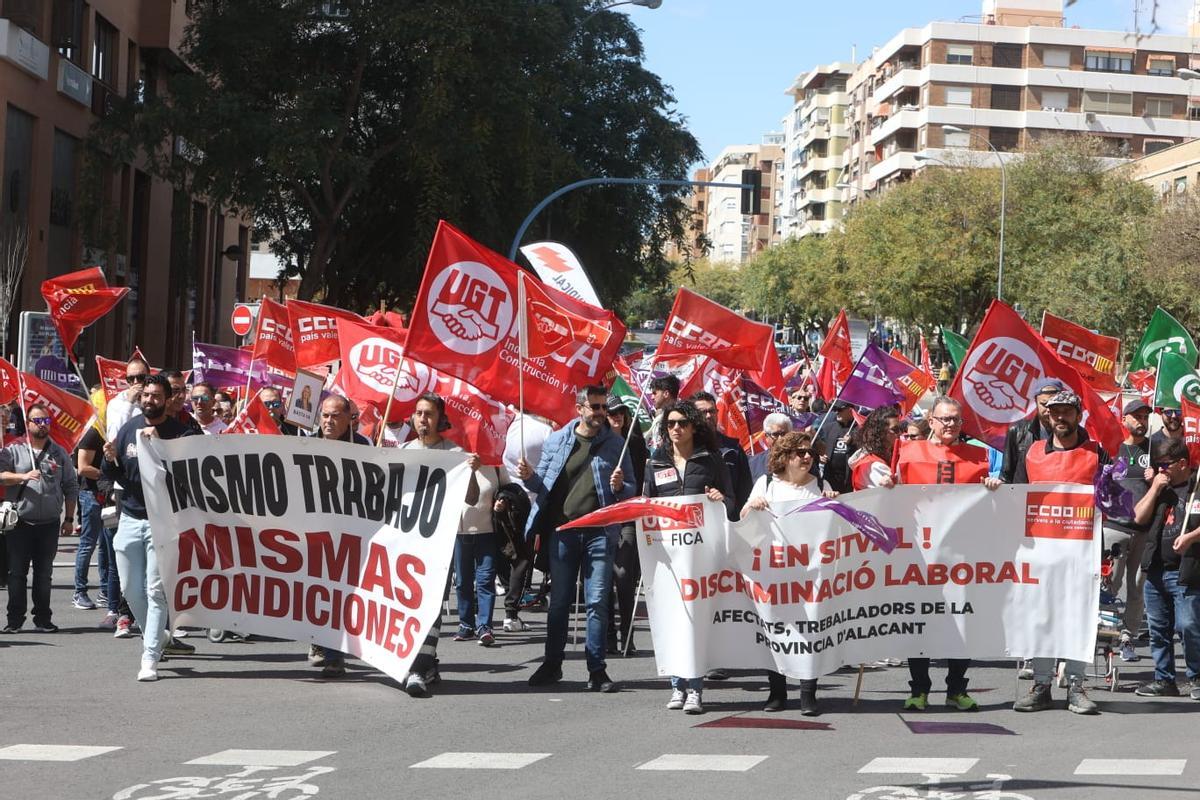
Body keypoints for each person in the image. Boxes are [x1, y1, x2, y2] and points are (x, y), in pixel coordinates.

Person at [517, 385, 635, 693]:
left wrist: (621, 486)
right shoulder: (558, 440)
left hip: (599, 533)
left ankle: (597, 669)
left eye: (602, 408)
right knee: (559, 603)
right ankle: (552, 664)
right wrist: (527, 475)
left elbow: (631, 491)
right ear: (579, 408)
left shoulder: (616, 444)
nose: (599, 413)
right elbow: (540, 484)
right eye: (594, 407)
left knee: (596, 602)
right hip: (563, 532)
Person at [892, 396, 1001, 711]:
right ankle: (919, 689)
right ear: (931, 419)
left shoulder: (977, 456)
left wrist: (992, 488)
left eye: (955, 419)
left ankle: (956, 689)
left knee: (961, 621)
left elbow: (988, 504)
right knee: (920, 623)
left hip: (961, 556)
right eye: (944, 419)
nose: (950, 424)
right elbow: (896, 497)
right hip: (920, 556)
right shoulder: (909, 453)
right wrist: (889, 485)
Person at [1011, 391, 1108, 715]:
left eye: (1066, 411)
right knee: (1041, 618)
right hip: (1041, 554)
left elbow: (1115, 499)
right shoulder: (1033, 453)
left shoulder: (1098, 453)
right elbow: (1017, 498)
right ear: (1046, 417)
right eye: (1054, 413)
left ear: (1078, 414)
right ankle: (1041, 685)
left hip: (1082, 554)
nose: (1060, 418)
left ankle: (1076, 686)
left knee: (1079, 618)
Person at [643, 400, 735, 714]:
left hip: (699, 557)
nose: (676, 429)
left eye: (682, 422)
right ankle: (676, 686)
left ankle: (695, 688)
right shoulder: (655, 462)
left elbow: (732, 502)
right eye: (670, 424)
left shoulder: (711, 460)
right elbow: (648, 506)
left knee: (693, 620)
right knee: (671, 618)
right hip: (667, 555)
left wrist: (720, 499)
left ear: (694, 425)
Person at [101, 375, 195, 681]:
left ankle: (150, 656)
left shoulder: (183, 432)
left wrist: (162, 448)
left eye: (156, 395)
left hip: (164, 521)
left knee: (156, 591)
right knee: (130, 589)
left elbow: (193, 475)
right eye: (146, 395)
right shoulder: (130, 429)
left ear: (168, 400)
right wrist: (111, 459)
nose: (149, 400)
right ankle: (159, 637)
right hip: (130, 517)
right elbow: (116, 475)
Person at [399, 393, 488, 695]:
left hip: (438, 545)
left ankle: (419, 667)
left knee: (430, 605)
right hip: (406, 542)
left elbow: (472, 498)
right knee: (405, 603)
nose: (423, 419)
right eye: (419, 413)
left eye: (429, 414)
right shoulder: (403, 451)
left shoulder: (454, 454)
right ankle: (420, 661)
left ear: (440, 419)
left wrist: (472, 472)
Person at [742, 431, 836, 715]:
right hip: (775, 571)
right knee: (776, 628)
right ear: (784, 457)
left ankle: (808, 693)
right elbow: (744, 520)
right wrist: (753, 506)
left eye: (809, 452)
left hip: (811, 572)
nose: (807, 457)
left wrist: (834, 501)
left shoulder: (820, 485)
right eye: (800, 452)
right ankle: (777, 691)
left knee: (811, 628)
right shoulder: (767, 484)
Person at [305, 394, 370, 677]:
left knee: (342, 592)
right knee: (315, 590)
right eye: (325, 415)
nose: (328, 421)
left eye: (335, 416)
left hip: (349, 531)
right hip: (311, 530)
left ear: (349, 419)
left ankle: (334, 654)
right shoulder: (306, 442)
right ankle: (319, 640)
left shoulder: (364, 446)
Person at [1131, 438, 1200, 700]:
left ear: (1182, 463)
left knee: (1188, 626)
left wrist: (1192, 536)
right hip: (1157, 569)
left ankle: (1196, 676)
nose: (1161, 470)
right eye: (1157, 465)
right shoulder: (1161, 488)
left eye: (1165, 465)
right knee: (1159, 629)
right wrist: (1154, 489)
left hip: (1187, 570)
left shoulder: (1197, 486)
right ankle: (1164, 679)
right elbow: (1138, 517)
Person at [1, 404, 79, 634]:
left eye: (46, 421)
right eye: (38, 421)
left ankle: (43, 618)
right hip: (20, 523)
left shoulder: (59, 452)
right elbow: (2, 476)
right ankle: (14, 620)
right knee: (16, 574)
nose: (43, 425)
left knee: (44, 575)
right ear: (28, 423)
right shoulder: (13, 450)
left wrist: (70, 518)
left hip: (49, 523)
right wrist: (23, 476)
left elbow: (70, 486)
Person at [1102, 398, 1152, 662]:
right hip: (1114, 528)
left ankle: (1127, 639)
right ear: (1125, 419)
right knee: (1110, 584)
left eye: (1145, 417)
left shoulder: (1155, 449)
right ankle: (1105, 635)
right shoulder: (1112, 448)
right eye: (1136, 417)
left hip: (1144, 531)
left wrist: (1157, 477)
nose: (1141, 421)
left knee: (1137, 587)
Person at [604, 396, 649, 654]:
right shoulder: (600, 444)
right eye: (612, 413)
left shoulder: (634, 441)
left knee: (623, 575)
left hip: (629, 514)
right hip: (604, 516)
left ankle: (627, 634)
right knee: (604, 577)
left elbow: (641, 479)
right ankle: (609, 634)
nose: (617, 416)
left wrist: (626, 485)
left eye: (620, 411)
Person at [73, 420, 115, 618]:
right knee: (88, 544)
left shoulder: (114, 432)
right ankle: (79, 591)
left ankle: (105, 590)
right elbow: (82, 467)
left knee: (107, 544)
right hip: (91, 494)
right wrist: (108, 475)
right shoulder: (93, 433)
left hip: (108, 496)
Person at [690, 391, 752, 510]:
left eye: (712, 411)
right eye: (703, 412)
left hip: (728, 521)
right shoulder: (683, 447)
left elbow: (745, 489)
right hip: (694, 520)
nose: (708, 416)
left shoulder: (733, 449)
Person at [999, 378, 1064, 484]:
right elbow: (1006, 475)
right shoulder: (1016, 432)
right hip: (1023, 497)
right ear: (1036, 402)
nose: (1048, 410)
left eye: (1053, 405)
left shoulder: (1072, 432)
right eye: (1044, 404)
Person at [849, 406, 902, 490]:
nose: (900, 433)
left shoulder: (884, 457)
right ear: (881, 433)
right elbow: (898, 494)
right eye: (895, 429)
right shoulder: (875, 466)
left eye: (900, 428)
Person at [105, 357, 151, 442]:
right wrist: (129, 403)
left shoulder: (154, 400)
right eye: (131, 379)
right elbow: (113, 438)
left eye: (141, 377)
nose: (136, 382)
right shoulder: (116, 403)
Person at [816, 401, 856, 494]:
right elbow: (817, 446)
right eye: (835, 409)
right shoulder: (828, 428)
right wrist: (819, 457)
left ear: (850, 410)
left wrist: (852, 443)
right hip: (830, 478)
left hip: (850, 479)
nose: (836, 412)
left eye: (840, 409)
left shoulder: (858, 429)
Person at [749, 413, 793, 481]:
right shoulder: (754, 463)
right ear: (766, 437)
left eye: (783, 434)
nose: (780, 439)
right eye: (775, 434)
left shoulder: (803, 459)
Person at [646, 374, 680, 452]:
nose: (652, 397)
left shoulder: (681, 416)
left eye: (655, 393)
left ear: (666, 394)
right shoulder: (659, 418)